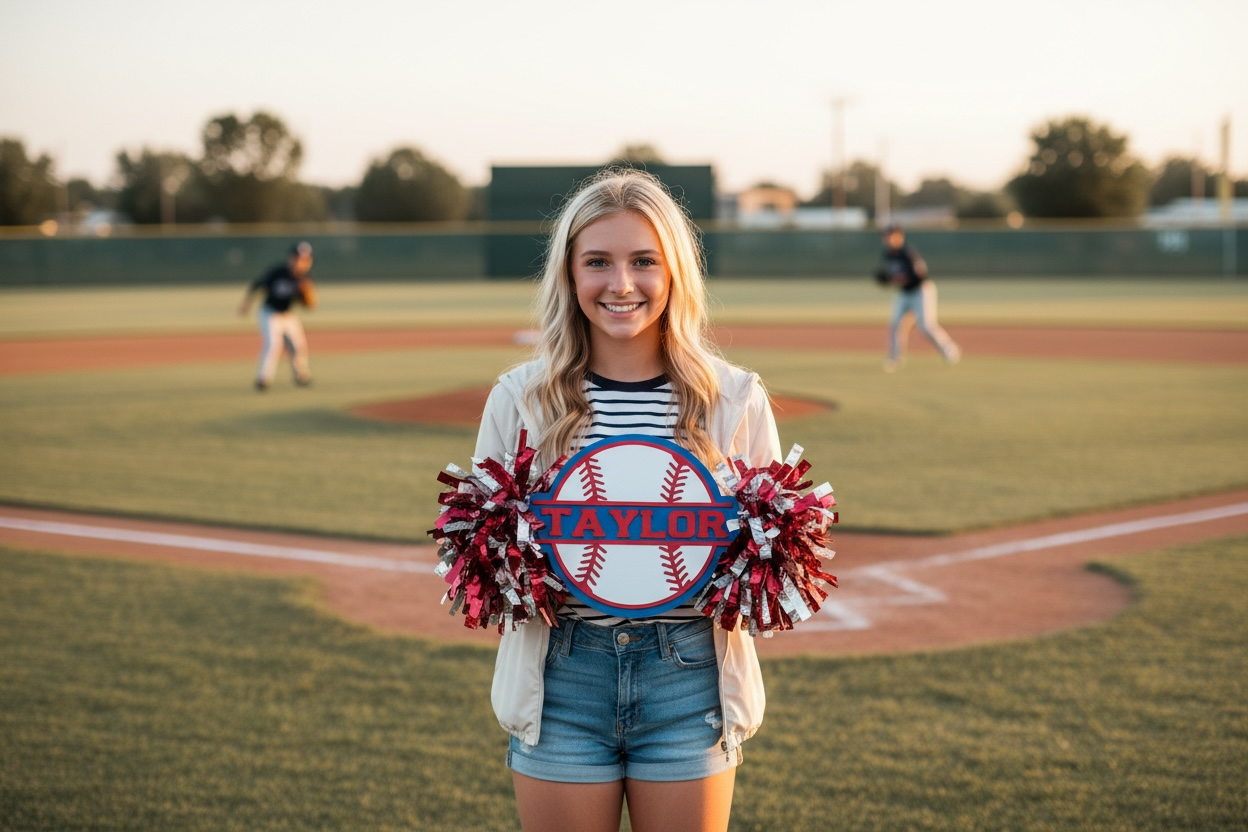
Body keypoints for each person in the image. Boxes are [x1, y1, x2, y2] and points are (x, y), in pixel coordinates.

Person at [472, 169, 781, 832]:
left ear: (674, 271)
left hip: (688, 674)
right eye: (597, 263)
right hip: (561, 676)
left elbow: (771, 569)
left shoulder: (732, 399)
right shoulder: (523, 398)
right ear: (569, 273)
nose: (621, 284)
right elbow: (477, 557)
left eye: (644, 261)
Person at [874, 224, 961, 371]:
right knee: (895, 325)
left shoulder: (907, 253)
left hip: (921, 291)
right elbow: (893, 277)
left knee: (926, 326)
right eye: (885, 236)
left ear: (898, 236)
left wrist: (892, 279)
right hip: (905, 293)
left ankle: (949, 350)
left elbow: (919, 275)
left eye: (890, 235)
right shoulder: (888, 254)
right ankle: (894, 359)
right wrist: (888, 279)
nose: (887, 239)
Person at [239, 241, 316, 390]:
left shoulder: (306, 279)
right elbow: (258, 284)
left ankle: (301, 376)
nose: (301, 262)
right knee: (273, 345)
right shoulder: (278, 272)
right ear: (291, 258)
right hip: (270, 313)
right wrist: (247, 302)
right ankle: (263, 380)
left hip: (288, 315)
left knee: (298, 346)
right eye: (298, 258)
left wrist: (306, 293)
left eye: (305, 259)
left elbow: (309, 306)